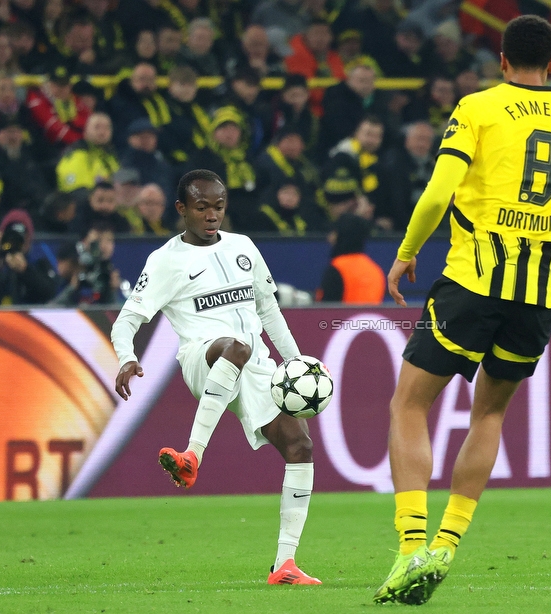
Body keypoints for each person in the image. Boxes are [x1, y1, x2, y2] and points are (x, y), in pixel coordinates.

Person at [375, 15, 551, 605]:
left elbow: (438, 192)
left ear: (502, 61)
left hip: (471, 282)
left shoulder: (478, 108)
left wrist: (405, 255)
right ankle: (448, 548)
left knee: (409, 404)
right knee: (490, 416)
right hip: (536, 298)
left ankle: (410, 551)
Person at [111, 169, 321, 586]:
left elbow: (269, 312)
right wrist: (126, 357)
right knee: (235, 347)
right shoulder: (166, 260)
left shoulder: (244, 247)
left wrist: (298, 362)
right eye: (202, 207)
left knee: (301, 447)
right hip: (201, 356)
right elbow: (127, 319)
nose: (211, 215)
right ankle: (193, 456)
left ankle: (285, 564)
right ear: (182, 209)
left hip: (255, 364)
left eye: (219, 207)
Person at [315, 213, 385, 303]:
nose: (330, 238)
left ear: (341, 235)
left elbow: (326, 310)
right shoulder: (375, 269)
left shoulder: (337, 268)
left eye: (334, 232)